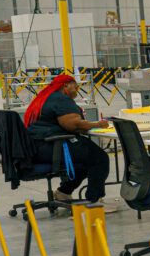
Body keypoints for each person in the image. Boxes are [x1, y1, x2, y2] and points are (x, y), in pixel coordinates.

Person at [23, 73, 116, 211]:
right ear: (65, 85)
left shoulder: (45, 97)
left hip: (36, 147)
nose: (77, 89)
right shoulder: (61, 99)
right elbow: (73, 125)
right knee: (99, 158)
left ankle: (63, 193)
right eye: (75, 86)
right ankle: (94, 202)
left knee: (84, 161)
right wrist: (98, 124)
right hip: (51, 145)